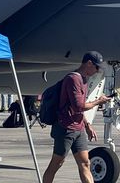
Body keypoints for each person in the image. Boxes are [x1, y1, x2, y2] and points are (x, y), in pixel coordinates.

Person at [43, 51, 111, 183]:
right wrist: (98, 101)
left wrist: (87, 126)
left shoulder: (83, 80)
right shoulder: (73, 79)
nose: (98, 71)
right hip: (65, 128)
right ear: (89, 63)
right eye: (97, 67)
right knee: (56, 164)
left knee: (85, 164)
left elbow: (79, 109)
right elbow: (78, 106)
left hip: (78, 129)